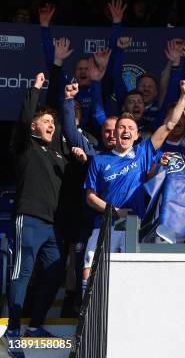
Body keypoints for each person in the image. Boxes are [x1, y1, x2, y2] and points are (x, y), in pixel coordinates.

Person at [6, 73, 87, 349]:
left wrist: (78, 161)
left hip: (53, 226)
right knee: (22, 272)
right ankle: (13, 330)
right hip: (28, 218)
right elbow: (25, 114)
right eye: (46, 121)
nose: (51, 125)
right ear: (33, 126)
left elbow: (74, 185)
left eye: (53, 122)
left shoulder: (58, 154)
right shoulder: (25, 146)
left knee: (54, 275)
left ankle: (35, 325)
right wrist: (37, 86)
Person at [83, 80, 185, 281]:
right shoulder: (99, 160)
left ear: (136, 135)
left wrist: (184, 96)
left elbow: (169, 124)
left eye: (130, 128)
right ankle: (89, 313)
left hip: (133, 227)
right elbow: (90, 196)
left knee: (128, 278)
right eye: (121, 127)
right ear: (115, 133)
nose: (126, 131)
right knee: (91, 274)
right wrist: (113, 211)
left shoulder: (143, 153)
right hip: (104, 225)